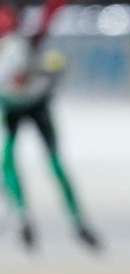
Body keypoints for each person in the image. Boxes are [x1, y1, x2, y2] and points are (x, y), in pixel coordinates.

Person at [0, 0, 99, 251]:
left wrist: (50, 76)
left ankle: (73, 219)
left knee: (50, 162)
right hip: (20, 102)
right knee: (11, 160)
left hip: (30, 102)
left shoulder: (33, 28)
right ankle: (24, 216)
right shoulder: (25, 29)